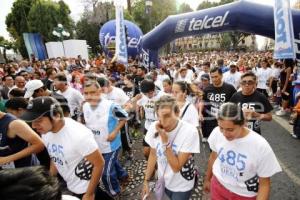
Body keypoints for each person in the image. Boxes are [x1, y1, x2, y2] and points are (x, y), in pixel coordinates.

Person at [21, 96, 105, 200]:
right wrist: (51, 179)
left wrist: (89, 194)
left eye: (38, 120)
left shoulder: (79, 136)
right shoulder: (46, 132)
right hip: (70, 184)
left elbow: (99, 163)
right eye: (32, 121)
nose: (33, 126)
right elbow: (55, 155)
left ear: (56, 116)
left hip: (86, 187)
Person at [203, 103, 282, 200]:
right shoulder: (216, 132)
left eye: (230, 129)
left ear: (243, 123)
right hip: (218, 187)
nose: (224, 134)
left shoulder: (260, 146)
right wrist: (207, 179)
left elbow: (264, 185)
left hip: (244, 195)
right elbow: (213, 157)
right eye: (221, 128)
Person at [142, 95, 200, 200]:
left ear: (177, 113)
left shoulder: (190, 131)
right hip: (163, 179)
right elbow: (153, 154)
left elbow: (176, 167)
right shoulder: (154, 127)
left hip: (182, 185)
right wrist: (146, 180)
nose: (163, 122)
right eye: (159, 116)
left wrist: (165, 141)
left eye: (167, 116)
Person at [82, 81, 128, 198]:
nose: (89, 96)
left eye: (92, 92)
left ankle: (114, 192)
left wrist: (115, 131)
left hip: (111, 145)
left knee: (105, 173)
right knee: (112, 164)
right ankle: (123, 175)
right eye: (86, 93)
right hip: (95, 145)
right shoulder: (85, 106)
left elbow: (124, 117)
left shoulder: (111, 106)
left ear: (100, 92)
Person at [199, 67, 236, 142]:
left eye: (216, 76)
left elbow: (235, 103)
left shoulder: (230, 88)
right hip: (211, 120)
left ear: (221, 76)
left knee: (225, 140)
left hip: (225, 120)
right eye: (212, 77)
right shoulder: (207, 89)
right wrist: (200, 113)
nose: (214, 79)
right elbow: (202, 101)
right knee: (212, 141)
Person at [137, 79, 166, 158]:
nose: (148, 96)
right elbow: (133, 106)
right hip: (148, 126)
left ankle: (158, 167)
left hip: (160, 126)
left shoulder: (162, 96)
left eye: (150, 93)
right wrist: (135, 100)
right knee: (146, 152)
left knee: (160, 152)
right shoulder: (142, 96)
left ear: (154, 89)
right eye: (145, 94)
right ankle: (154, 167)